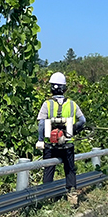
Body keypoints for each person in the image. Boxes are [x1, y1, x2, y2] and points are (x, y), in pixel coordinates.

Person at [35, 72, 86, 206]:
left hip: (50, 145)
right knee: (69, 169)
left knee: (48, 169)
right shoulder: (72, 104)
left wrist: (41, 140)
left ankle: (47, 197)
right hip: (67, 144)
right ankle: (72, 196)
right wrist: (71, 131)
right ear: (64, 89)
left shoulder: (47, 104)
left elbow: (41, 123)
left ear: (52, 88)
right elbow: (83, 121)